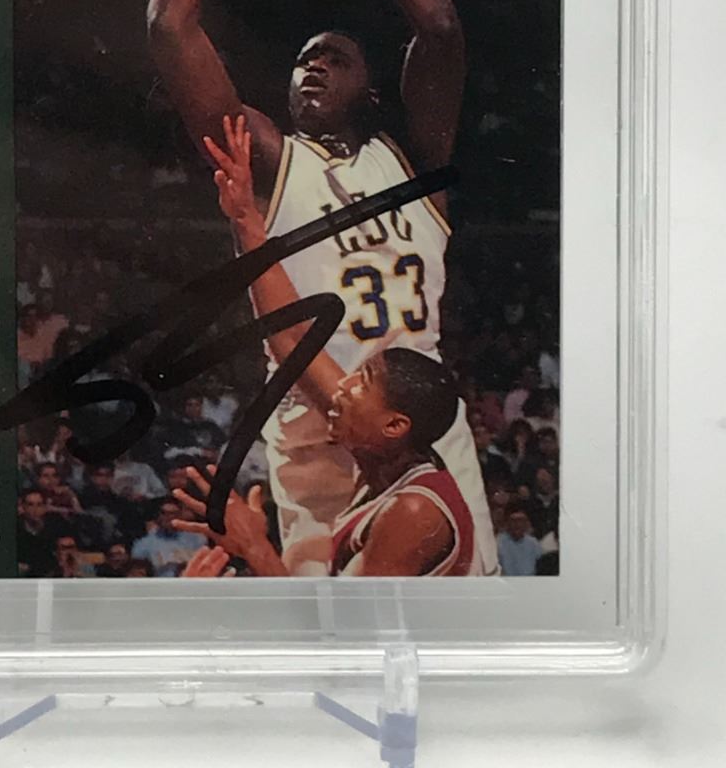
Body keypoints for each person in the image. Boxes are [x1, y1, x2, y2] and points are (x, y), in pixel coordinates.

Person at [148, 0, 495, 574]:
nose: (313, 65)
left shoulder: (411, 163)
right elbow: (170, 28)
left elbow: (440, 29)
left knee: (460, 623)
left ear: (371, 90)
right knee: (319, 620)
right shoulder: (272, 161)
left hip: (419, 431)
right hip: (318, 439)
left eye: (334, 58)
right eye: (304, 59)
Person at [175, 115, 493, 577]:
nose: (339, 386)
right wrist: (246, 220)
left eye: (361, 384)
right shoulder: (382, 481)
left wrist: (256, 548)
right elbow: (293, 338)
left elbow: (334, 623)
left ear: (394, 425)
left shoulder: (413, 511)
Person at [128, 498, 200, 577]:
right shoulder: (143, 545)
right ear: (158, 516)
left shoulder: (197, 541)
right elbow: (137, 575)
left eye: (173, 514)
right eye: (164, 513)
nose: (168, 517)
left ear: (180, 515)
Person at [16, 489, 61, 578]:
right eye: (30, 505)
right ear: (23, 507)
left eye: (39, 505)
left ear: (45, 507)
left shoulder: (54, 527)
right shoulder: (15, 529)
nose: (35, 509)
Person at [496, 505, 544, 577]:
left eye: (521, 520)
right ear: (507, 522)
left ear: (526, 523)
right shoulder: (498, 543)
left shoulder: (533, 543)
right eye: (513, 521)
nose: (517, 524)